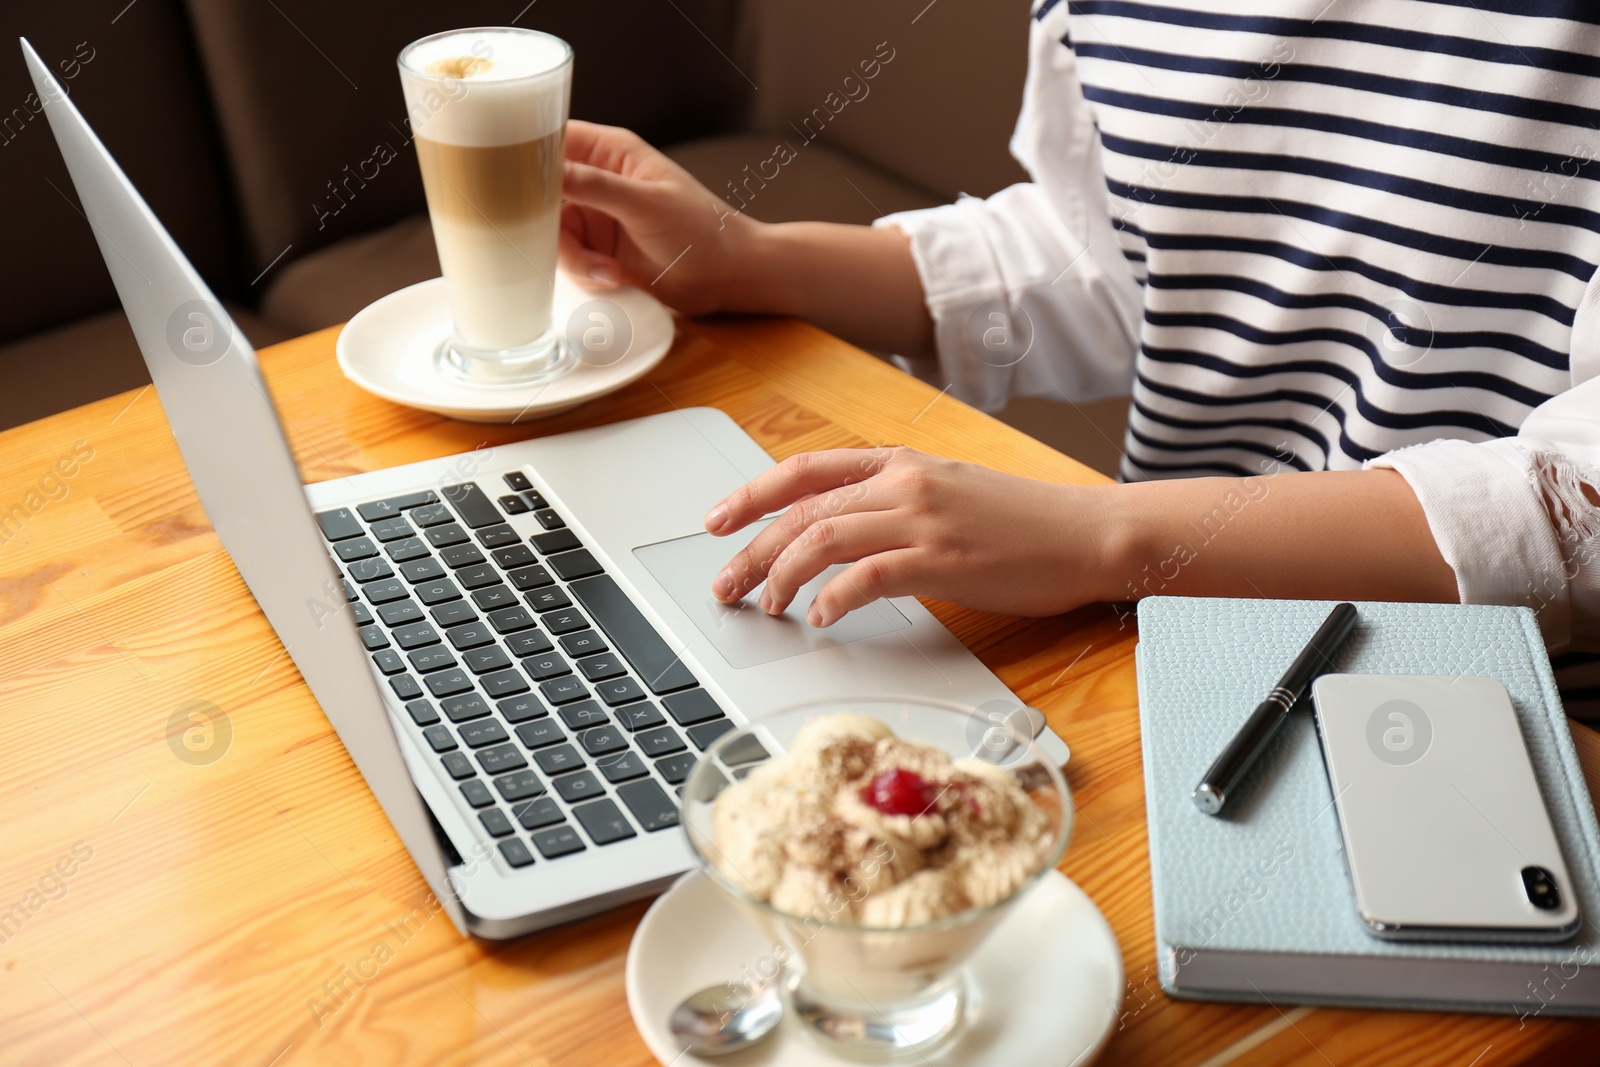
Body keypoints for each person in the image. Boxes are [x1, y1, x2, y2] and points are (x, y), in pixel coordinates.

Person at [556, 1, 1600, 652]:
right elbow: (1117, 256)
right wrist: (747, 258)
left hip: (1506, 702)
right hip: (1169, 633)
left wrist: (1099, 537)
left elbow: (1584, 509)